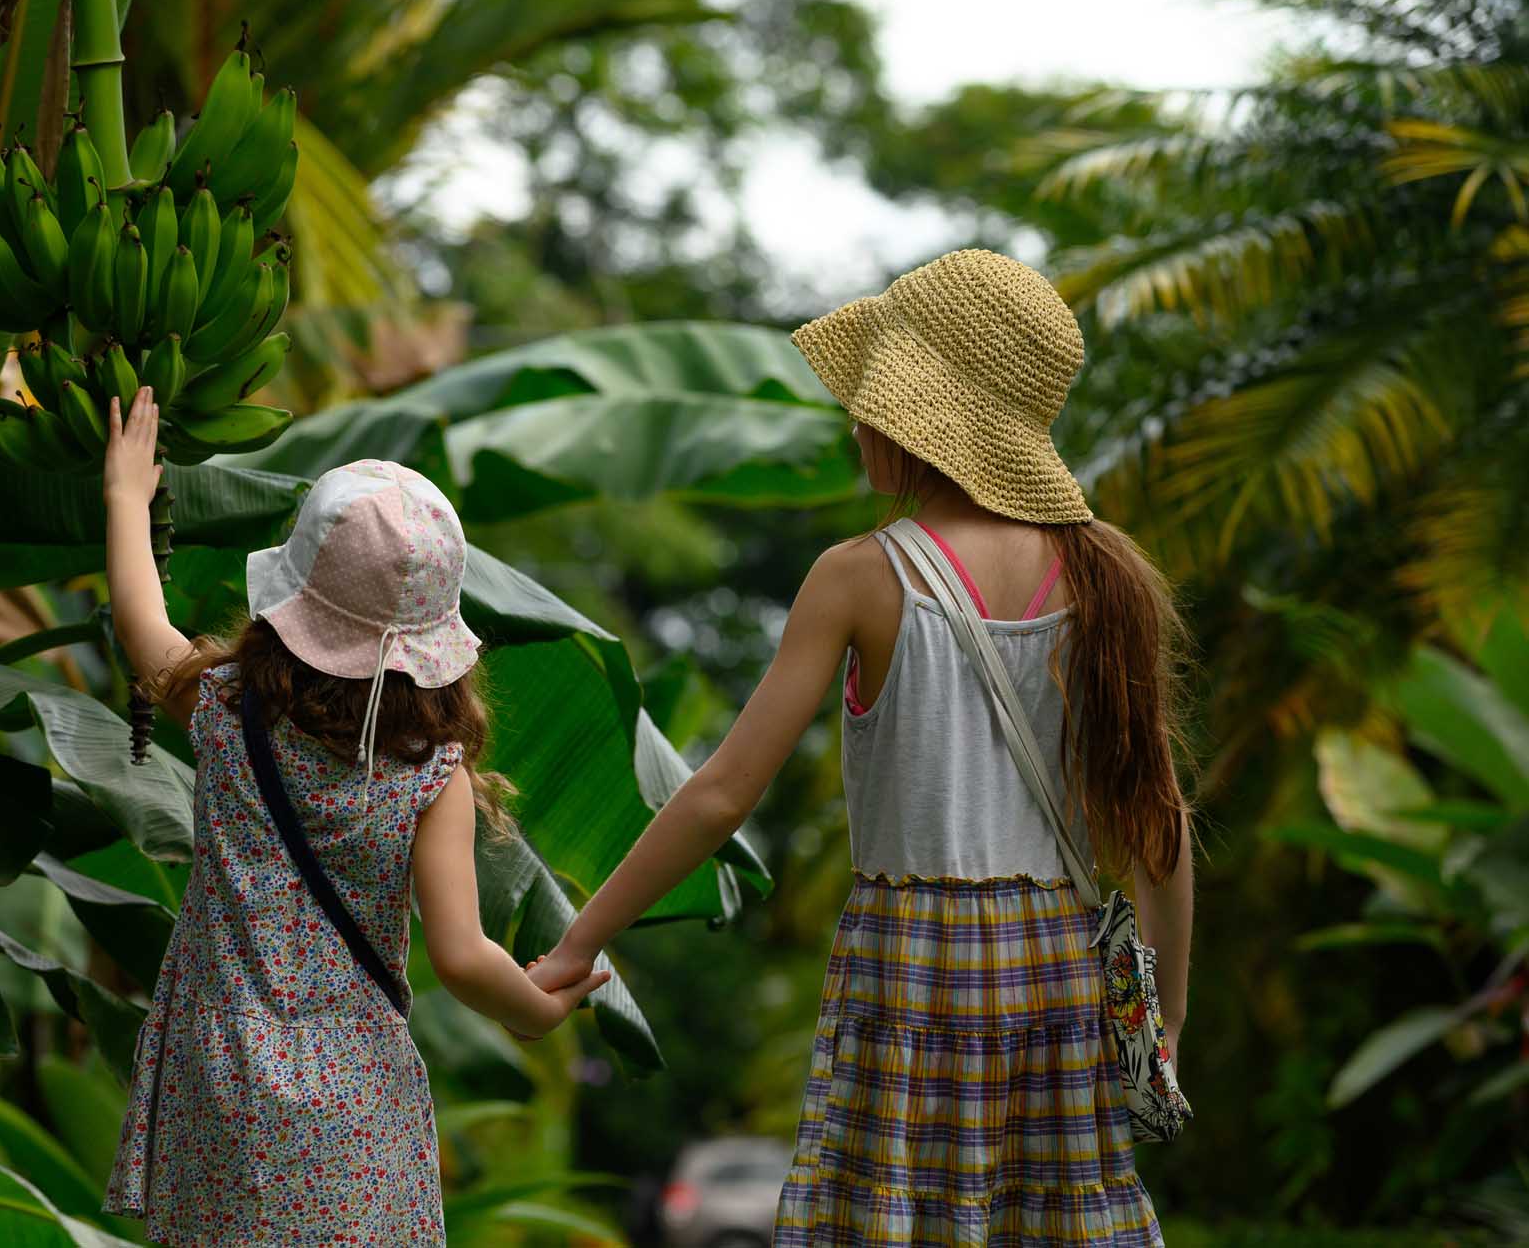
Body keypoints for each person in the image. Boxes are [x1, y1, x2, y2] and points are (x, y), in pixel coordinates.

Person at [531, 250, 1193, 1246]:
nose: (855, 415)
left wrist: (580, 942)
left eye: (871, 392)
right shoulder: (1109, 580)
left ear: (916, 414)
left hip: (910, 959)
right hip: (1054, 960)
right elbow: (1158, 827)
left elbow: (719, 795)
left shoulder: (858, 576)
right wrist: (1164, 1017)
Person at [99, 388, 610, 1246]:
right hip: (355, 1109)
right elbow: (460, 955)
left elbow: (139, 621)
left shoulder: (227, 713)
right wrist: (535, 1009)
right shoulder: (432, 777)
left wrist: (123, 497)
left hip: (218, 1082)